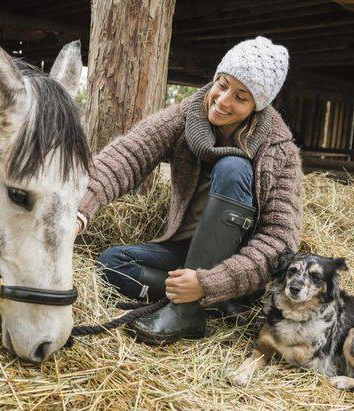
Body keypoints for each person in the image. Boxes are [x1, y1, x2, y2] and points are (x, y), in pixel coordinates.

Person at [75, 36, 303, 345]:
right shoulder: (188, 115)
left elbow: (279, 241)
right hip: (186, 248)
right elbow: (127, 156)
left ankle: (188, 309)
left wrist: (211, 282)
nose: (223, 101)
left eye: (241, 96)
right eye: (222, 85)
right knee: (111, 263)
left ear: (257, 105)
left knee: (232, 168)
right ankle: (216, 304)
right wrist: (79, 211)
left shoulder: (279, 150)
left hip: (236, 262)